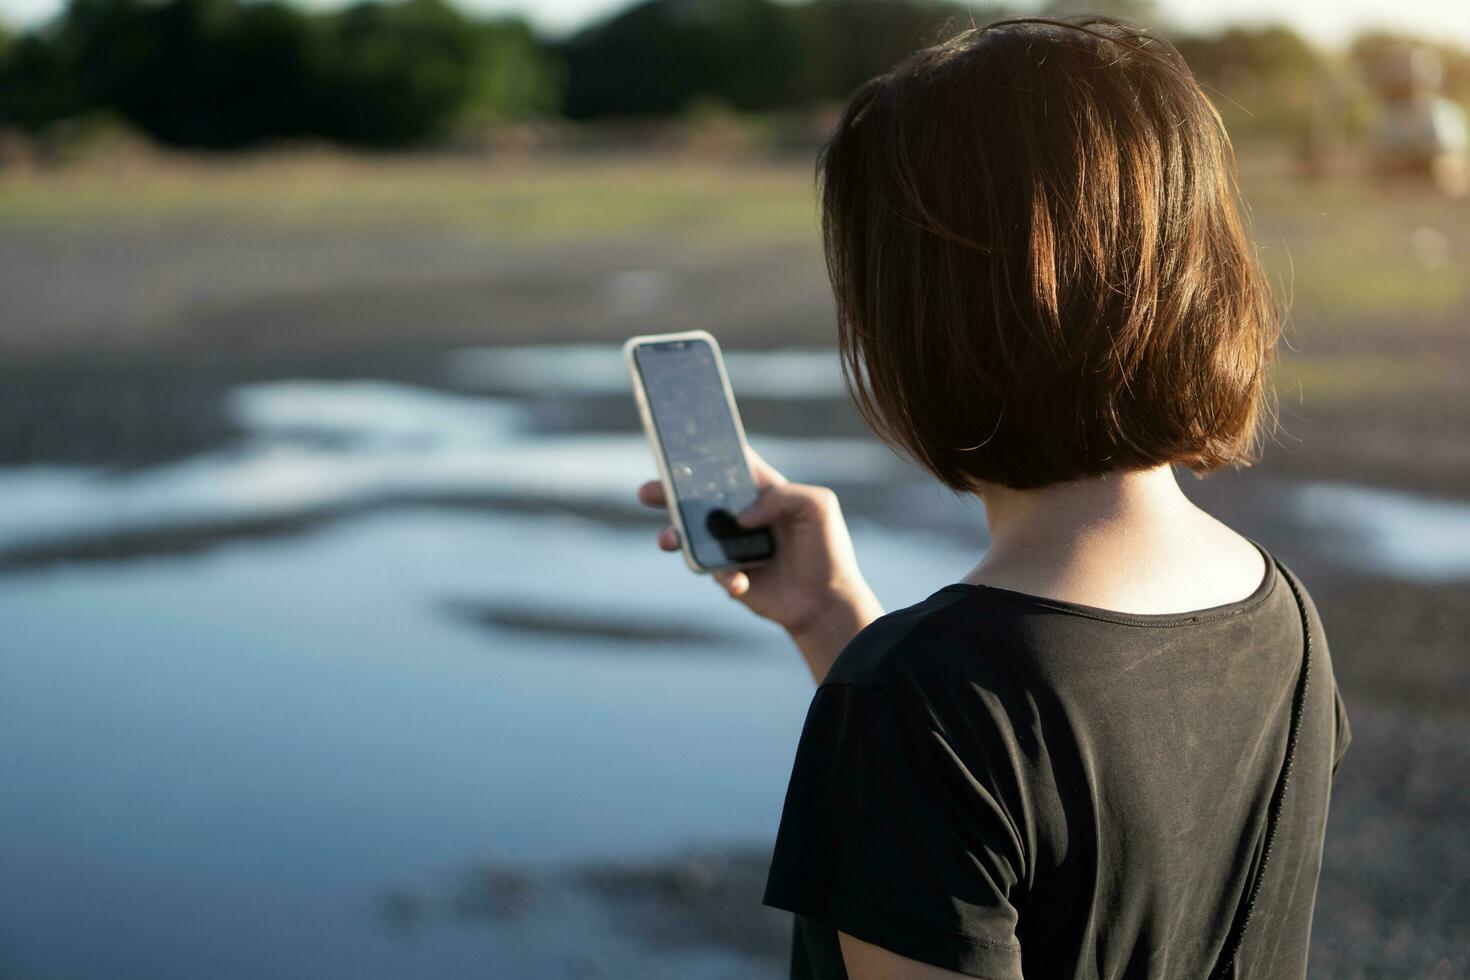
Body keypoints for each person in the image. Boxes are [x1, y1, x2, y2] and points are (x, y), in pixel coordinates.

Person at [636, 16, 1350, 980]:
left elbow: (986, 745)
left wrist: (882, 680)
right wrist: (831, 617)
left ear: (916, 328)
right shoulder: (1281, 613)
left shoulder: (912, 702)